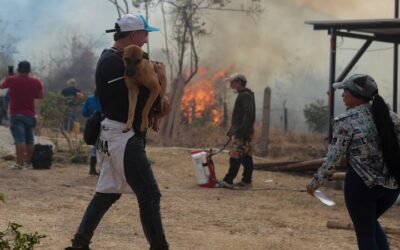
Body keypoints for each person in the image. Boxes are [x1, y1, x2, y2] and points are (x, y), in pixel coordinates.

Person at [66, 13, 170, 250]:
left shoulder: (118, 58)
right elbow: (127, 100)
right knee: (150, 194)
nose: (145, 39)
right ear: (133, 34)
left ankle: (79, 244)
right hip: (122, 137)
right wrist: (158, 98)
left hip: (116, 135)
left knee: (107, 193)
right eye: (144, 33)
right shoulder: (114, 62)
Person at [306, 74, 400, 250]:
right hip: (391, 188)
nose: (342, 95)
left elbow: (333, 158)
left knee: (365, 233)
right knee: (369, 224)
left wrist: (314, 184)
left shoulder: (346, 121)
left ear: (356, 95)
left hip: (362, 187)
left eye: (345, 91)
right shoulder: (392, 117)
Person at [0, 60, 44, 169]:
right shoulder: (36, 81)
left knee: (19, 139)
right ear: (29, 69)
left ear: (18, 69)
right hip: (30, 113)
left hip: (16, 113)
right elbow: (40, 96)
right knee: (30, 140)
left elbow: (1, 86)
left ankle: (19, 164)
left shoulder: (11, 79)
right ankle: (28, 163)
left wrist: (7, 77)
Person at [218, 73, 256, 189]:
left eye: (232, 82)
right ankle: (246, 181)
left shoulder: (244, 95)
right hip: (244, 131)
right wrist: (232, 130)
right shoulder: (245, 95)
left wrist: (240, 132)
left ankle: (228, 180)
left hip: (243, 133)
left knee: (235, 156)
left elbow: (248, 116)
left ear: (239, 82)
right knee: (246, 156)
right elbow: (240, 117)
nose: (231, 84)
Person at [81, 90, 102, 176]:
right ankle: (101, 170)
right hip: (102, 124)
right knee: (102, 147)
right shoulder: (106, 98)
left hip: (91, 125)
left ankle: (92, 169)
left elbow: (84, 113)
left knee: (95, 146)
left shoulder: (90, 99)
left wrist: (91, 114)